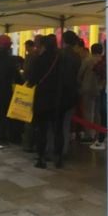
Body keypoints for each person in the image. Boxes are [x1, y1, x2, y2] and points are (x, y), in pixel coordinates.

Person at [29, 35, 60, 168]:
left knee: (41, 129)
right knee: (57, 129)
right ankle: (58, 157)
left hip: (41, 98)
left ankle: (41, 158)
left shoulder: (39, 60)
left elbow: (32, 80)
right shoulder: (60, 59)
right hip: (57, 98)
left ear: (43, 45)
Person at [55, 31, 82, 163]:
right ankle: (64, 150)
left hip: (58, 93)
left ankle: (55, 149)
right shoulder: (77, 57)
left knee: (56, 125)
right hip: (72, 94)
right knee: (66, 124)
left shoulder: (59, 54)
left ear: (63, 40)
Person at [78, 40, 101, 143]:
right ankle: (98, 134)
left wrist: (79, 83)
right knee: (97, 113)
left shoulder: (87, 60)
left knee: (88, 113)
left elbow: (80, 73)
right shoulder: (102, 61)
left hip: (87, 88)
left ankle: (88, 135)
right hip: (98, 89)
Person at [90, 43, 107, 151]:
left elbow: (96, 70)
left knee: (102, 114)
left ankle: (101, 139)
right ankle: (102, 137)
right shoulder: (105, 61)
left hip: (103, 91)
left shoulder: (101, 63)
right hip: (104, 91)